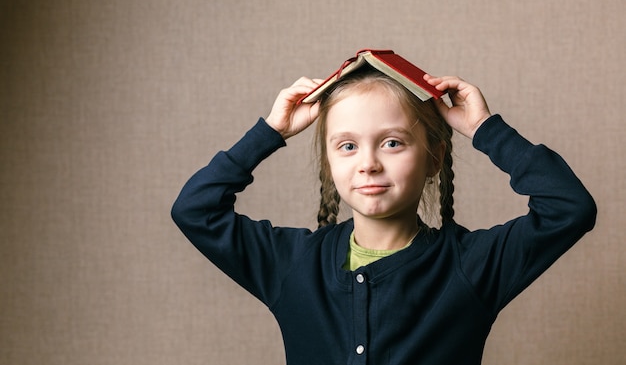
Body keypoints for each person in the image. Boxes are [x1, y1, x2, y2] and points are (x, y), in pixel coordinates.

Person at [171, 61, 596, 365]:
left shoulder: (471, 265)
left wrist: (485, 128)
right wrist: (270, 132)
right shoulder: (293, 264)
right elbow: (195, 209)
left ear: (433, 160)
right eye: (347, 146)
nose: (368, 163)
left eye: (392, 143)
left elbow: (568, 208)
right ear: (329, 163)